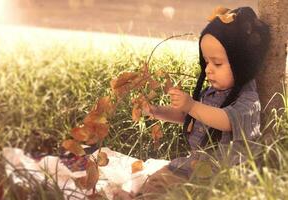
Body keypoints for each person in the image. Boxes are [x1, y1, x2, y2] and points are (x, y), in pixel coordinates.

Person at [113, 6, 270, 200]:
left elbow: (226, 120)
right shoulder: (212, 93)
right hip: (196, 166)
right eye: (206, 62)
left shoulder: (248, 100)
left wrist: (192, 106)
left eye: (217, 63)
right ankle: (141, 196)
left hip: (223, 174)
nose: (209, 70)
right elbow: (190, 117)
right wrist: (155, 111)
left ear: (242, 63)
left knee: (182, 194)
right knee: (158, 179)